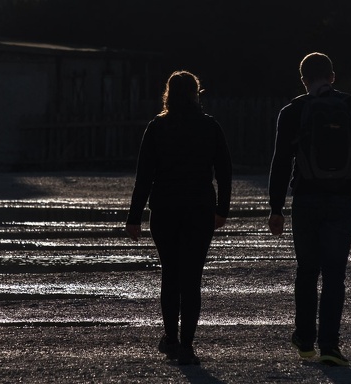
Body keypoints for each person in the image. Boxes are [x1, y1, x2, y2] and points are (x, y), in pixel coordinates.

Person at [267, 53, 351, 366]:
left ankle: (305, 340)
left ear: (303, 79)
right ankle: (330, 345)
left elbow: (280, 162)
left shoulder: (293, 110)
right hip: (342, 199)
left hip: (305, 199)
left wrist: (276, 208)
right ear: (332, 76)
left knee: (307, 271)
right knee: (335, 274)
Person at [125, 70, 232, 365]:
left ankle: (170, 337)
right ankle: (187, 343)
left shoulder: (157, 127)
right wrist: (222, 209)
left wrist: (134, 216)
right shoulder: (210, 126)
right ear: (195, 93)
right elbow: (224, 171)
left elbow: (144, 176)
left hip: (166, 206)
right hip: (199, 206)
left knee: (170, 273)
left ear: (168, 93)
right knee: (192, 276)